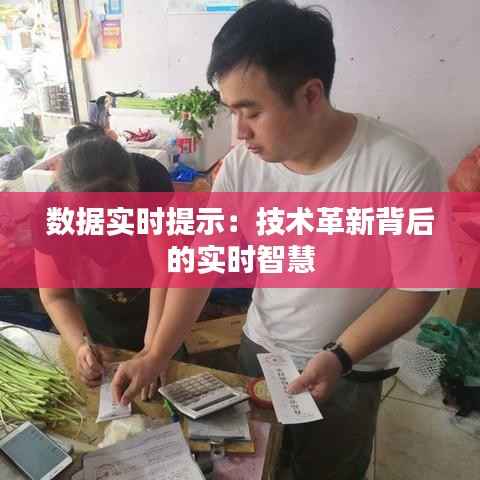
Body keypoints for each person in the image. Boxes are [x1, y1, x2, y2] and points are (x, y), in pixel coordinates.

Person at [112, 1, 442, 478]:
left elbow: (418, 287)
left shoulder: (402, 168)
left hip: (350, 368)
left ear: (310, 94)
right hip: (261, 349)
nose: (240, 132)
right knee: (255, 463)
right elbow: (203, 261)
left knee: (325, 470)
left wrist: (341, 355)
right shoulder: (242, 167)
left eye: (253, 112)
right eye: (232, 112)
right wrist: (156, 353)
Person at [35, 129, 183, 401]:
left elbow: (167, 271)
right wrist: (80, 345)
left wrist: (154, 351)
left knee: (166, 389)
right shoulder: (49, 216)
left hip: (157, 306)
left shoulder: (152, 183)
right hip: (95, 312)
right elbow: (55, 295)